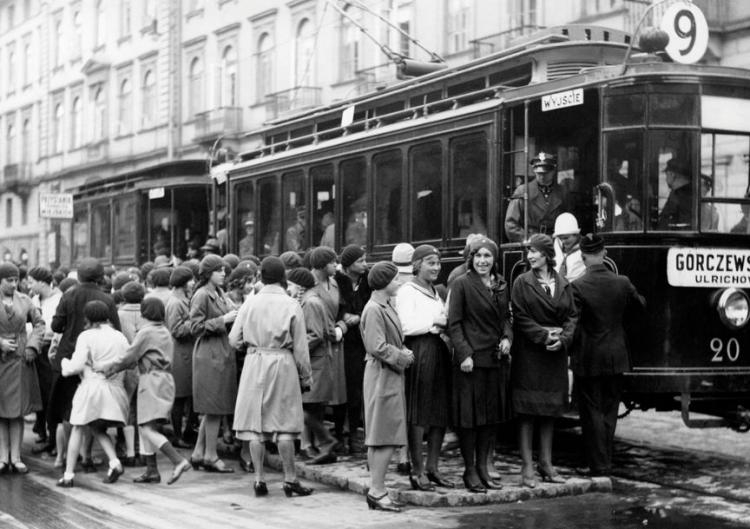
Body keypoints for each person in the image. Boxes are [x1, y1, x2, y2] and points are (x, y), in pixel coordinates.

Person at [230, 256, 314, 498]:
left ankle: (258, 480)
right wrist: (305, 377)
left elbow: (233, 339)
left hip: (254, 361)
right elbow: (300, 347)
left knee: (256, 426)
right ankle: (290, 479)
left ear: (261, 277)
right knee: (284, 423)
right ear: (282, 277)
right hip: (282, 362)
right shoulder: (291, 304)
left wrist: (252, 347)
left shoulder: (249, 303)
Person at [572, 233, 645, 477]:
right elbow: (640, 306)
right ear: (604, 253)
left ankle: (599, 465)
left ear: (582, 258)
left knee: (591, 411)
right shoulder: (622, 282)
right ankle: (606, 462)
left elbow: (572, 321)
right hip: (617, 356)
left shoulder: (578, 286)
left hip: (589, 358)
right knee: (609, 411)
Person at [511, 234, 578, 488]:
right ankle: (527, 467)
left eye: (535, 252)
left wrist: (564, 339)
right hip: (531, 354)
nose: (530, 256)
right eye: (528, 251)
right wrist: (544, 336)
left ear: (547, 255)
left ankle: (546, 464)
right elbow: (520, 315)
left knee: (550, 410)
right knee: (527, 411)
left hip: (555, 354)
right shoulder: (521, 283)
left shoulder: (564, 283)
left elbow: (572, 315)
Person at [102, 298, 192, 485]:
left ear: (144, 313)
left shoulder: (146, 332)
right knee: (149, 427)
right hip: (165, 379)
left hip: (150, 380)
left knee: (145, 428)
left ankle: (178, 460)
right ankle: (152, 470)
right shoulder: (164, 331)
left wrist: (109, 368)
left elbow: (129, 357)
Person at [448, 237, 513, 493]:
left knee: (489, 419)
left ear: (494, 260)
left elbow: (507, 317)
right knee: (470, 419)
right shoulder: (462, 284)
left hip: (494, 360)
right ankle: (470, 470)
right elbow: (454, 323)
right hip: (471, 362)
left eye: (487, 256)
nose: (483, 261)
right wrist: (464, 354)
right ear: (471, 259)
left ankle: (484, 469)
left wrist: (508, 337)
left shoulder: (500, 285)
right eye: (478, 256)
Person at [51, 258, 121, 472]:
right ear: (101, 277)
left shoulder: (68, 294)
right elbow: (116, 328)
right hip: (96, 361)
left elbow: (56, 325)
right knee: (90, 412)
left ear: (78, 276)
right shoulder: (106, 299)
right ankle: (87, 457)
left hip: (69, 357)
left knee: (67, 411)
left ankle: (63, 458)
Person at [394, 244, 454, 491]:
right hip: (421, 350)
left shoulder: (434, 290)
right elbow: (405, 325)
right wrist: (434, 321)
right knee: (419, 411)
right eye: (431, 263)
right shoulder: (407, 290)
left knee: (440, 411)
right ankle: (417, 470)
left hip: (438, 349)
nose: (436, 268)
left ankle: (433, 467)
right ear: (417, 265)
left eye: (438, 263)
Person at [57, 300, 129, 487]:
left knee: (78, 427)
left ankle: (68, 475)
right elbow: (126, 361)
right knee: (98, 428)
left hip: (91, 388)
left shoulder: (86, 336)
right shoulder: (119, 336)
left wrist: (64, 364)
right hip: (115, 389)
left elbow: (77, 365)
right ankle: (114, 462)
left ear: (87, 317)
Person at [360, 261, 414, 512]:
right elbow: (376, 346)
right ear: (383, 283)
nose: (399, 282)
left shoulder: (383, 305)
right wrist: (402, 356)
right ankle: (378, 490)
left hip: (386, 374)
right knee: (384, 436)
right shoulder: (374, 309)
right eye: (395, 279)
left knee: (381, 434)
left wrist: (401, 349)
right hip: (383, 374)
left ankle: (376, 488)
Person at [188, 255, 238, 473]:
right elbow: (195, 327)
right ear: (208, 273)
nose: (224, 274)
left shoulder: (219, 293)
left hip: (220, 353)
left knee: (213, 408)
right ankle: (210, 456)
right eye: (219, 270)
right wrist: (223, 321)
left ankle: (199, 453)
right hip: (209, 355)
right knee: (213, 407)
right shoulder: (201, 295)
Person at [288, 267, 338, 464]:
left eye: (291, 284)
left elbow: (315, 334)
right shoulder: (311, 299)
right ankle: (324, 449)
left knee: (303, 407)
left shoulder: (309, 302)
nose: (288, 288)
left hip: (315, 362)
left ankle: (327, 441)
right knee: (313, 409)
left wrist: (293, 349)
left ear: (299, 285)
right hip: (318, 361)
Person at [0, 262, 45, 474]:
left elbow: (40, 324)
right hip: (1, 360)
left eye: (16, 280)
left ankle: (16, 457)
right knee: (1, 411)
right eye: (9, 280)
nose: (14, 284)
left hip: (19, 359)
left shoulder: (25, 301)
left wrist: (32, 346)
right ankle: (2, 456)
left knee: (16, 412)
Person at [309, 247, 348, 446]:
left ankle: (327, 439)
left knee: (329, 392)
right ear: (323, 265)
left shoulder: (334, 282)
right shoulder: (309, 285)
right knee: (314, 395)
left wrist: (341, 325)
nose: (337, 265)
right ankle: (314, 442)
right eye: (333, 262)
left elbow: (340, 310)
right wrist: (338, 329)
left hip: (334, 342)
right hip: (319, 341)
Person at [335, 245, 371, 453]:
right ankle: (340, 433)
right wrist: (344, 318)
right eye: (360, 261)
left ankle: (354, 435)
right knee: (343, 389)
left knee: (358, 389)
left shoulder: (367, 282)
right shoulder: (338, 282)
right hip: (343, 342)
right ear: (348, 266)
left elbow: (369, 304)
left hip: (360, 341)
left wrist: (358, 316)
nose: (365, 265)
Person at [27, 266, 62, 455]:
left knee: (51, 395)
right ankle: (42, 431)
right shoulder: (33, 300)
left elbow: (56, 328)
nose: (29, 285)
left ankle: (54, 438)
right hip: (36, 351)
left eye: (32, 282)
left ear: (42, 282)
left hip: (50, 352)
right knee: (38, 393)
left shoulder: (59, 299)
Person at [505, 152, 572, 242]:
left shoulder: (563, 193)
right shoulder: (522, 191)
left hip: (555, 242)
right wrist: (528, 240)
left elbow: (569, 222)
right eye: (539, 173)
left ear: (553, 171)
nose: (542, 176)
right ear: (534, 170)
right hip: (530, 243)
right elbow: (511, 225)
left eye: (546, 172)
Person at [165, 266, 196, 448]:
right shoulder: (176, 302)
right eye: (190, 280)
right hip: (180, 354)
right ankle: (178, 435)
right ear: (182, 283)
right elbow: (176, 330)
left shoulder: (181, 299)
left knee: (186, 396)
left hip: (185, 353)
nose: (192, 283)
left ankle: (185, 433)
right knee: (180, 397)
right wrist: (196, 321)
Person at [657, 158, 692, 230]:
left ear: (672, 174)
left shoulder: (681, 197)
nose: (666, 179)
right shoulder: (680, 194)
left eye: (666, 175)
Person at [552, 213, 585, 283]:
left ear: (576, 235)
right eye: (561, 238)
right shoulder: (557, 243)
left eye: (566, 238)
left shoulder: (586, 249)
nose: (563, 241)